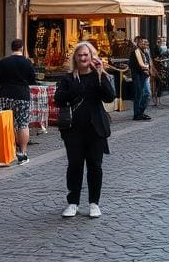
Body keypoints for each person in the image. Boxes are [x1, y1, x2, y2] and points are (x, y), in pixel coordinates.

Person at [56, 42, 116, 218]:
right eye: (79, 55)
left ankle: (94, 203)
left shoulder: (99, 77)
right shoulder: (68, 78)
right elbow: (59, 99)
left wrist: (100, 74)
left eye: (86, 55)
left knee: (95, 166)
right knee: (74, 165)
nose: (83, 58)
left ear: (92, 57)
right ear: (75, 57)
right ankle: (73, 202)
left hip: (95, 129)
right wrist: (77, 88)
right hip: (73, 129)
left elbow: (109, 96)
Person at [0, 38, 37, 164]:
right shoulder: (27, 62)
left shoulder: (4, 62)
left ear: (11, 48)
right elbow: (33, 80)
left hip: (5, 94)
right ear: (22, 48)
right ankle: (22, 153)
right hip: (22, 95)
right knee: (23, 123)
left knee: (5, 123)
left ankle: (8, 150)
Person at [130, 35, 153, 120]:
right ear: (138, 43)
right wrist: (144, 68)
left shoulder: (145, 52)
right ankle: (137, 114)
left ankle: (141, 112)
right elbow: (133, 65)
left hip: (145, 76)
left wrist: (149, 70)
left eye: (144, 42)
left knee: (147, 94)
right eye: (142, 42)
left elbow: (148, 63)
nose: (144, 44)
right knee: (138, 94)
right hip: (138, 76)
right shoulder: (135, 52)